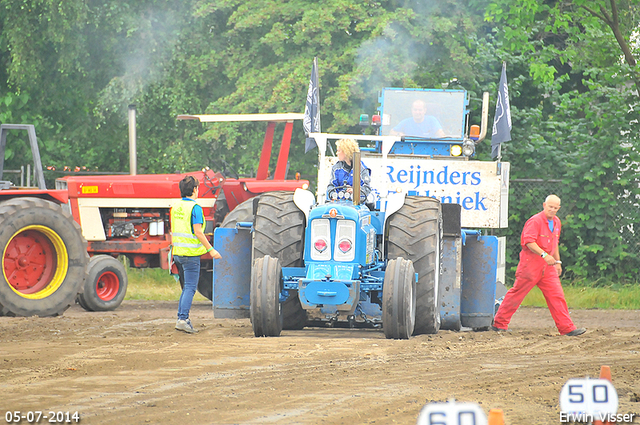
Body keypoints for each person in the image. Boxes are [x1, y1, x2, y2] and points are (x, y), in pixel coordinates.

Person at [492, 195, 586, 336]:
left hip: (548, 267)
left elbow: (555, 243)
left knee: (557, 295)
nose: (552, 210)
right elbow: (529, 241)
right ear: (544, 205)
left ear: (558, 208)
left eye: (555, 208)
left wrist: (557, 261)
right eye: (550, 207)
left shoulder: (557, 222)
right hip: (531, 264)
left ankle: (567, 329)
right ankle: (499, 323)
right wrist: (544, 255)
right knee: (517, 293)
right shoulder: (535, 221)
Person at [171, 175, 221, 334]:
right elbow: (198, 232)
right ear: (194, 190)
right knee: (191, 288)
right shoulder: (195, 208)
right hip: (190, 255)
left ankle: (182, 317)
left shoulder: (176, 206)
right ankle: (182, 319)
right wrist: (211, 249)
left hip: (177, 253)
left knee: (186, 288)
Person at [326, 138, 372, 202]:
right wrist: (333, 195)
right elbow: (331, 186)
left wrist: (355, 191)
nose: (337, 153)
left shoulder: (362, 169)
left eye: (338, 151)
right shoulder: (336, 168)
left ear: (346, 151)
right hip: (338, 203)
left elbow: (367, 188)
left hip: (357, 204)